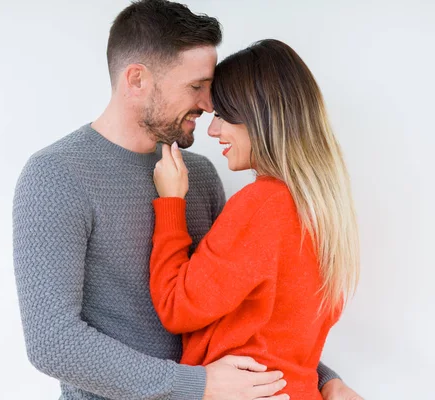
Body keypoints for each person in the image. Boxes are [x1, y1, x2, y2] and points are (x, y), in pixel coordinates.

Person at [12, 1, 361, 399]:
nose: (210, 105)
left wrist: (322, 378)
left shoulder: (200, 176)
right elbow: (53, 343)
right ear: (137, 80)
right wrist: (198, 385)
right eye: (196, 87)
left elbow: (239, 310)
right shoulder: (56, 176)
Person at [150, 39, 361, 399]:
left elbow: (176, 306)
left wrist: (170, 203)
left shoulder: (264, 204)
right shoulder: (323, 208)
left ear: (259, 117)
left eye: (222, 115)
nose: (212, 131)